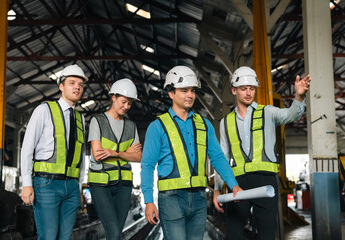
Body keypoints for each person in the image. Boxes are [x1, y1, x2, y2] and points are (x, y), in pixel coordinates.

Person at [141, 66, 243, 240]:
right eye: (184, 90)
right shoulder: (157, 126)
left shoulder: (204, 125)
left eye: (192, 90)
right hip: (171, 198)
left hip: (198, 198)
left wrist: (233, 184)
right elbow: (148, 165)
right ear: (171, 93)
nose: (190, 95)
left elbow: (217, 157)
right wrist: (149, 201)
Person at [213, 66, 311, 240]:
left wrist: (299, 96)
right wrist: (217, 189)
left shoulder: (268, 112)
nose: (249, 93)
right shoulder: (225, 122)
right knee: (233, 233)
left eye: (252, 88)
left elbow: (292, 114)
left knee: (266, 233)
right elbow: (223, 157)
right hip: (238, 184)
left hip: (265, 181)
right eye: (244, 89)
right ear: (234, 90)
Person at [20, 64, 88, 240]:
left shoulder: (80, 118)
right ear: (61, 86)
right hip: (46, 184)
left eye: (80, 84)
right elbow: (27, 147)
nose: (77, 87)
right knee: (49, 236)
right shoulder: (44, 110)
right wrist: (26, 183)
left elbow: (81, 156)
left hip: (71, 188)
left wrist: (79, 187)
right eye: (72, 82)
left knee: (64, 238)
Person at [87, 78, 142, 240]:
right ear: (113, 97)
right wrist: (126, 152)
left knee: (117, 233)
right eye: (123, 102)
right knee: (114, 233)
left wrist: (115, 153)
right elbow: (98, 154)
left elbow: (138, 156)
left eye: (129, 104)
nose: (126, 107)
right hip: (100, 185)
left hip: (123, 186)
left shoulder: (131, 126)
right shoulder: (98, 121)